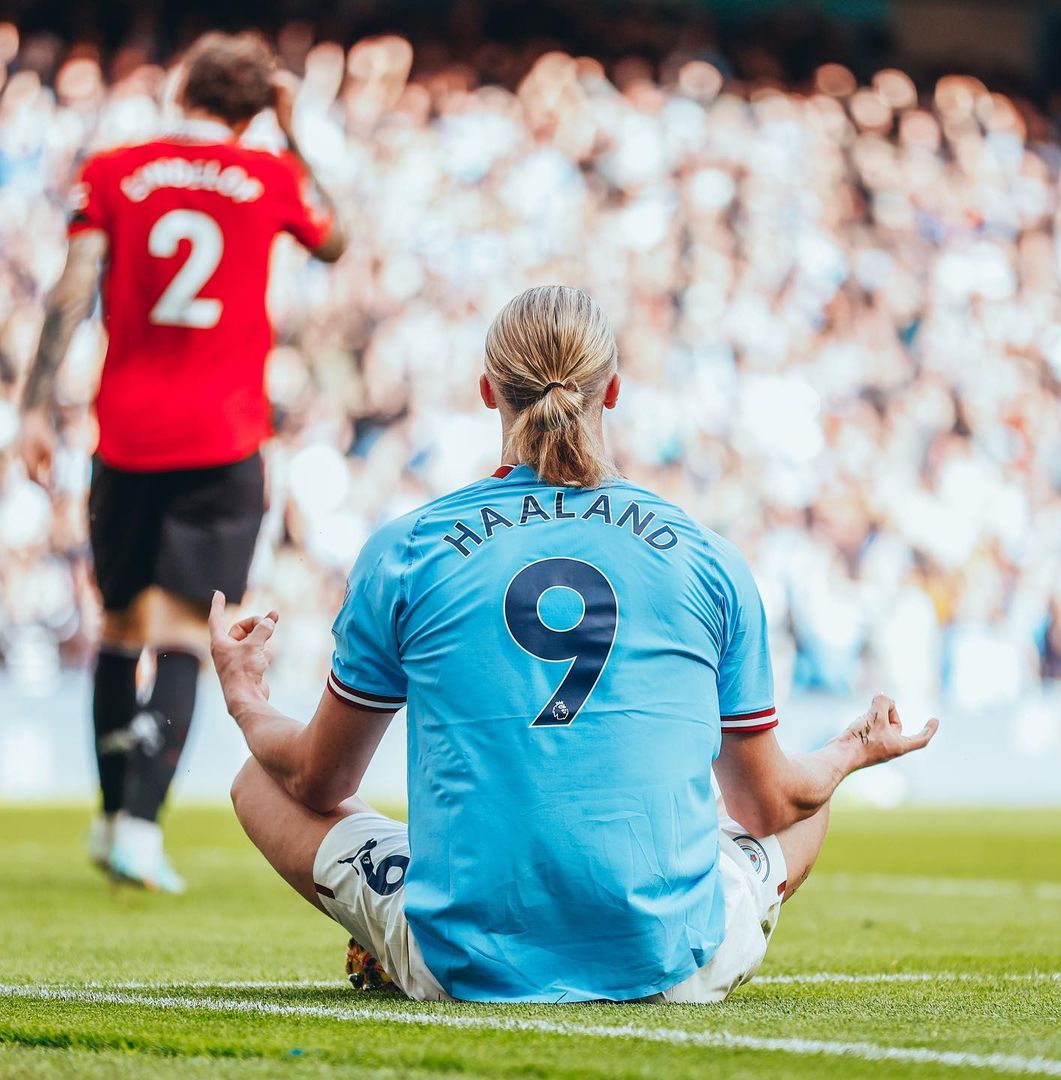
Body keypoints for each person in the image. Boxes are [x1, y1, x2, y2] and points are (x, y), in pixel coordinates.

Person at [209, 285, 938, 1002]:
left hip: (459, 962)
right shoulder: (705, 555)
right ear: (613, 390)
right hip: (674, 962)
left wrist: (245, 699)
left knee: (257, 780)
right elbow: (771, 807)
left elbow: (316, 782)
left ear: (488, 391)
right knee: (808, 797)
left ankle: (401, 936)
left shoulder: (409, 549)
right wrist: (851, 752)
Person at [17, 31, 346, 893]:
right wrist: (295, 132)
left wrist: (32, 410)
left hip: (125, 433)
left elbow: (70, 288)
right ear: (253, 108)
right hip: (222, 439)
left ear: (183, 92)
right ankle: (138, 825)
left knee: (121, 626)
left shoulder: (115, 171)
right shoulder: (268, 177)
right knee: (186, 638)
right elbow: (337, 240)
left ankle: (108, 809)